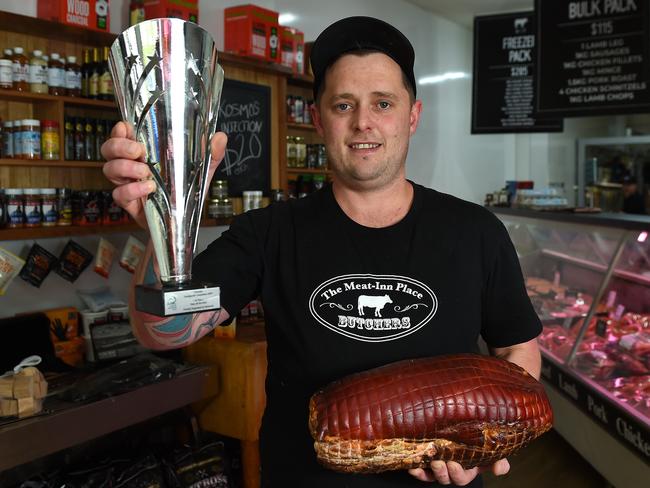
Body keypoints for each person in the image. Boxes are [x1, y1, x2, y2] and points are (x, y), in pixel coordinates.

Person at [102, 16, 542, 487]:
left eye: (383, 103)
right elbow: (166, 332)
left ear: (413, 115)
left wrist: (483, 440)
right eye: (343, 104)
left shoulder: (476, 231)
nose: (363, 122)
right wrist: (159, 220)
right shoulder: (269, 231)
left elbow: (517, 346)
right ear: (317, 119)